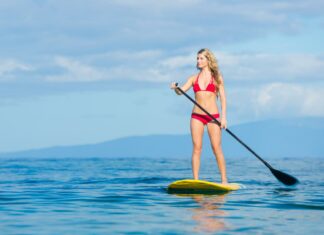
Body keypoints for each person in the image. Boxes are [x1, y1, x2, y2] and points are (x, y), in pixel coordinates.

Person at [170, 48, 228, 184]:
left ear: (208, 60)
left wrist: (224, 118)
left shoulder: (217, 77)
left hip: (213, 116)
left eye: (201, 58)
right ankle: (196, 180)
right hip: (196, 116)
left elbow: (223, 99)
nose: (198, 61)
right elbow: (181, 92)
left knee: (216, 148)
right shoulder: (193, 78)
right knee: (197, 148)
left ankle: (224, 179)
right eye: (197, 58)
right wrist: (176, 88)